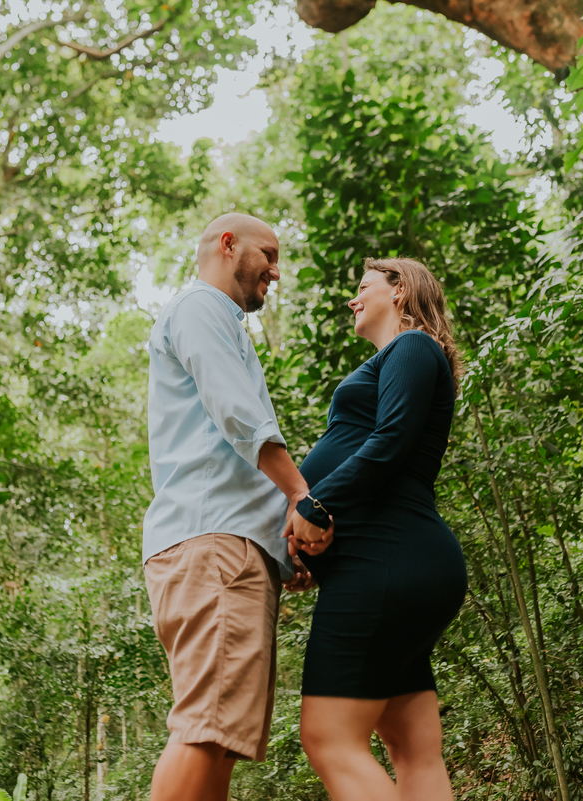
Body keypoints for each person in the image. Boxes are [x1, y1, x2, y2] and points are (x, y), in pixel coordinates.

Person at [142, 212, 329, 801]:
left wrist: (281, 546)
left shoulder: (218, 321)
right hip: (213, 546)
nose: (275, 270)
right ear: (228, 245)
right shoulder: (201, 309)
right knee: (205, 729)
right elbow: (238, 416)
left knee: (221, 738)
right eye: (268, 255)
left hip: (226, 547)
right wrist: (301, 496)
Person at [286, 257, 468, 801]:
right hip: (395, 562)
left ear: (402, 291)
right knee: (413, 747)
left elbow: (388, 443)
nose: (352, 298)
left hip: (386, 562)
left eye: (363, 287)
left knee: (328, 737)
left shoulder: (411, 347)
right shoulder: (402, 357)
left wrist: (313, 506)